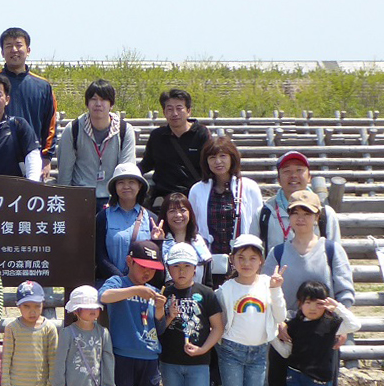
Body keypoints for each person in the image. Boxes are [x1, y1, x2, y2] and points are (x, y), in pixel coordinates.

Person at [264, 188, 354, 386]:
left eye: (307, 213)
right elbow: (264, 290)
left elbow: (345, 291)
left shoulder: (331, 249)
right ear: (288, 216)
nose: (300, 218)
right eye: (295, 212)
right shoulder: (278, 251)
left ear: (318, 217)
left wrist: (341, 328)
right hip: (287, 332)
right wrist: (277, 321)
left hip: (322, 334)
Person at [216, 234, 285, 386]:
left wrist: (276, 290)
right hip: (231, 351)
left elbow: (280, 315)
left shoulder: (268, 283)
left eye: (252, 258)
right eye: (241, 258)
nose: (247, 263)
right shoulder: (226, 289)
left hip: (258, 353)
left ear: (261, 261)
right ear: (232, 260)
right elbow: (220, 321)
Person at [98, 239, 167, 386]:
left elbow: (158, 327)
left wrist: (160, 311)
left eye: (152, 269)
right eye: (141, 266)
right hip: (122, 355)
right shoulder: (119, 283)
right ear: (129, 261)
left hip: (149, 357)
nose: (147, 272)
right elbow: (104, 296)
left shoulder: (155, 292)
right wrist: (135, 291)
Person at [157, 244, 224, 386]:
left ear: (195, 268)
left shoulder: (206, 293)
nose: (182, 271)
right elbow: (157, 329)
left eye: (187, 266)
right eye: (176, 266)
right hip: (170, 362)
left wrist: (203, 349)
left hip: (199, 363)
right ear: (169, 269)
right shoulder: (163, 293)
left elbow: (218, 327)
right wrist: (169, 316)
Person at [0, 28, 58, 157]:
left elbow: (50, 125)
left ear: (28, 50)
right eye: (9, 46)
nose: (14, 50)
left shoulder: (42, 86)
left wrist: (46, 157)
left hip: (31, 156)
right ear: (2, 52)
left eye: (18, 45)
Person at [189, 135, 262, 285]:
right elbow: (193, 227)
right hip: (210, 261)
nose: (218, 161)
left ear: (232, 158)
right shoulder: (197, 190)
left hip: (242, 261)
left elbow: (257, 225)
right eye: (212, 157)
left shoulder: (249, 187)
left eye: (223, 156)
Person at [55, 80, 134, 204]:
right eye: (93, 99)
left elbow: (127, 170)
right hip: (80, 196)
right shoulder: (73, 129)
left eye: (103, 100)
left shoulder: (125, 130)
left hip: (113, 197)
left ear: (111, 104)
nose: (98, 104)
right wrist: (66, 202)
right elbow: (65, 172)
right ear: (87, 103)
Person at [139, 89, 211, 215]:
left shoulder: (201, 134)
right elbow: (146, 164)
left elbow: (210, 164)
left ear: (188, 111)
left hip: (194, 195)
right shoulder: (157, 136)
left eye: (179, 108)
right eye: (170, 109)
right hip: (165, 196)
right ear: (164, 112)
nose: (175, 113)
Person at [257, 150, 341, 254]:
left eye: (299, 170)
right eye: (287, 171)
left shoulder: (325, 213)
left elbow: (336, 254)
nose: (293, 175)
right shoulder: (264, 212)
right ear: (278, 179)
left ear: (309, 177)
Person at [95, 163, 161, 282]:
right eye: (121, 182)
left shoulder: (152, 219)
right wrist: (121, 280)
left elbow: (156, 257)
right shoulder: (102, 217)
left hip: (142, 286)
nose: (126, 186)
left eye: (131, 182)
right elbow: (99, 254)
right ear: (115, 187)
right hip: (110, 285)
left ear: (140, 186)